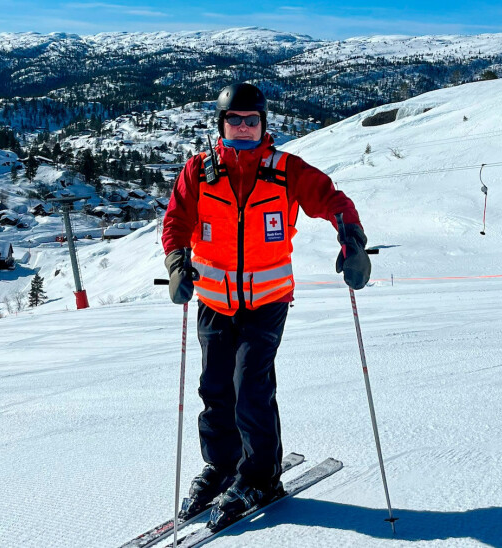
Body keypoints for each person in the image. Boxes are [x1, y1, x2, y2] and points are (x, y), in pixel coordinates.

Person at [161, 82, 371, 530]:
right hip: (214, 300)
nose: (243, 127)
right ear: (221, 125)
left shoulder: (285, 170)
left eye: (251, 120)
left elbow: (332, 201)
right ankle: (222, 465)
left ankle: (260, 476)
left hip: (267, 300)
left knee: (250, 387)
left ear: (263, 124)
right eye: (234, 120)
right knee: (215, 388)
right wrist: (177, 263)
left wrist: (352, 241)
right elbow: (176, 219)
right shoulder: (199, 171)